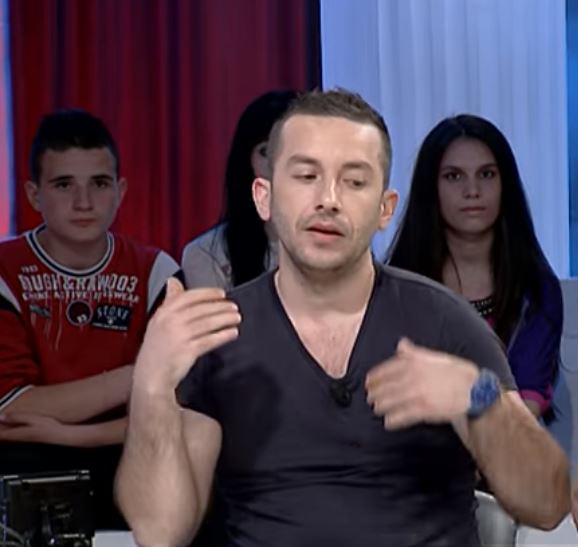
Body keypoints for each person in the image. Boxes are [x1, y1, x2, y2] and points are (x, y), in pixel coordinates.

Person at [115, 90, 570, 547]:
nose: (328, 199)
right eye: (306, 176)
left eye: (354, 181)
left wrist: (478, 398)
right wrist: (151, 386)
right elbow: (161, 531)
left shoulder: (446, 322)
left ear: (385, 209)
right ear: (264, 197)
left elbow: (547, 505)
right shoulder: (223, 330)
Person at [0, 109, 179, 527]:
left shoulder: (157, 271)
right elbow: (12, 407)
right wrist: (142, 372)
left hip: (131, 460)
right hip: (21, 462)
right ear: (33, 195)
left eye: (99, 184)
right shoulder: (5, 271)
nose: (84, 203)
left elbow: (179, 409)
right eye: (64, 185)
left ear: (120, 190)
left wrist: (67, 433)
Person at [387, 115, 563, 418]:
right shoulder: (394, 290)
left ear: (505, 184)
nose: (472, 190)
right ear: (431, 188)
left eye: (487, 174)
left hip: (506, 442)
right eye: (454, 176)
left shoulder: (536, 290)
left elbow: (525, 408)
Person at [181, 90, 297, 290]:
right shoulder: (207, 254)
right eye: (265, 152)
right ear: (246, 161)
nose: (276, 165)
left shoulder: (338, 241)